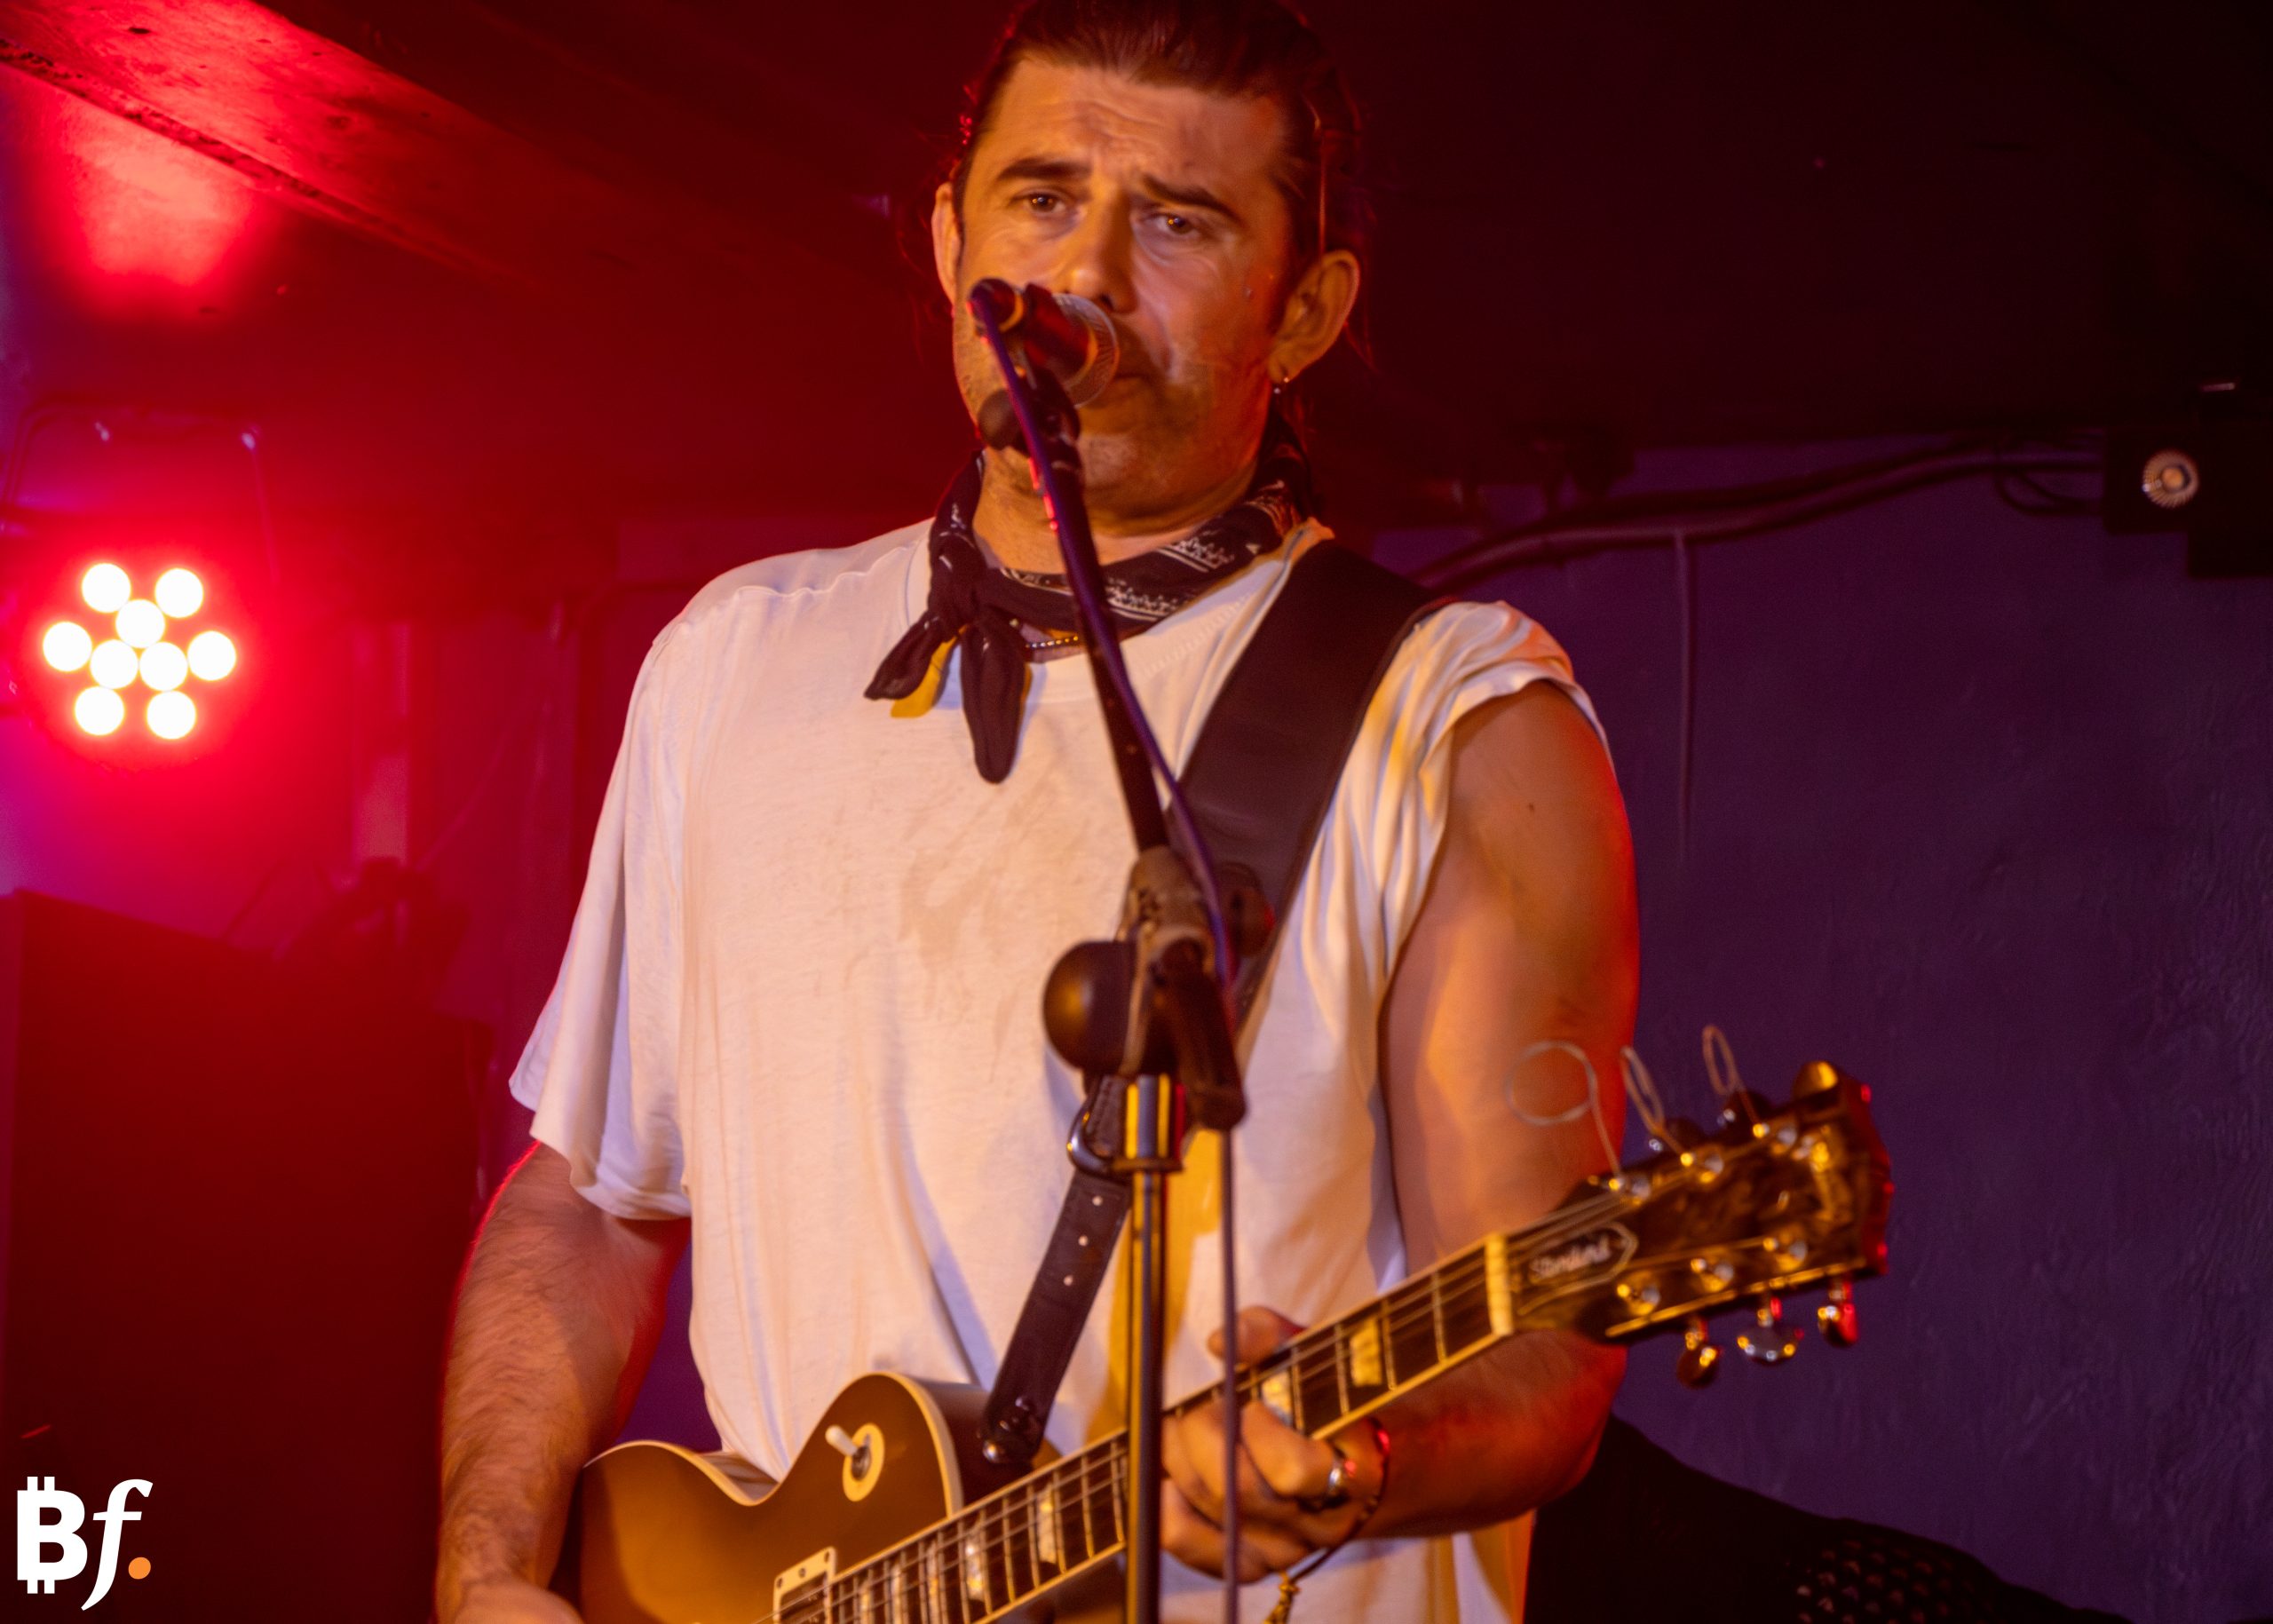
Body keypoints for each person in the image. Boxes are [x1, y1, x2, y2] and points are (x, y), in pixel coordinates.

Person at [435, 3, 1638, 1620]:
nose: (1086, 276)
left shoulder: (1458, 717)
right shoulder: (734, 660)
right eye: (1043, 197)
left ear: (1305, 313)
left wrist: (1366, 1450)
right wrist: (486, 1565)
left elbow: (1549, 1339)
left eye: (1180, 222)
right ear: (951, 244)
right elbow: (590, 1200)